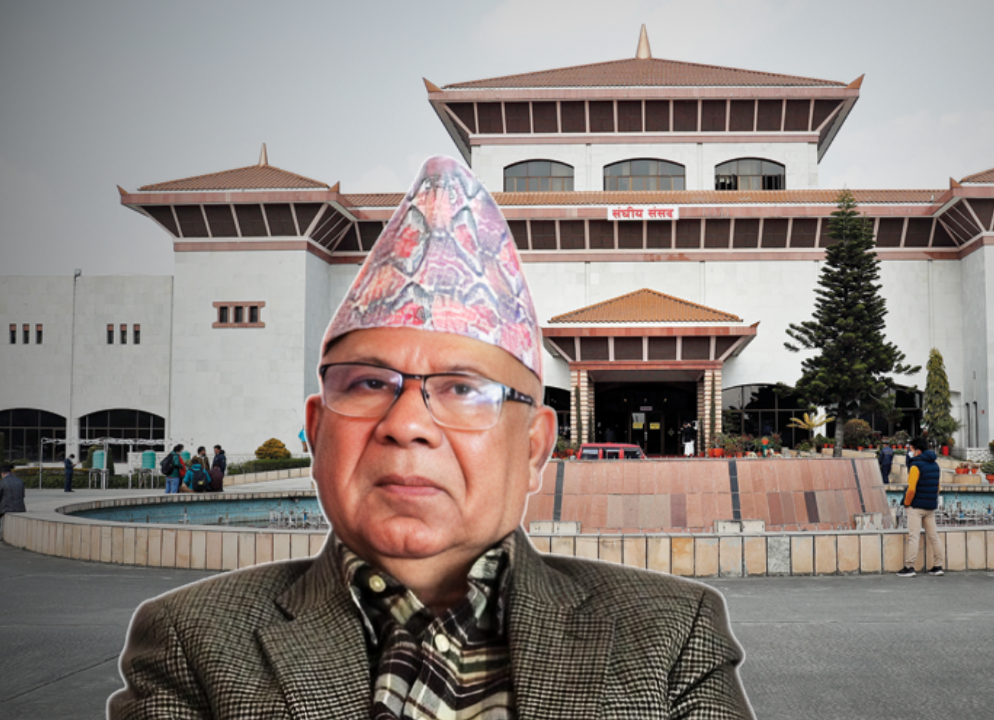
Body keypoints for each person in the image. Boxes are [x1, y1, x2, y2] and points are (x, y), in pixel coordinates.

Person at [110, 156, 753, 719]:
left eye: (463, 389)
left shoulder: (670, 635)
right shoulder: (193, 642)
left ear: (534, 447)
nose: (406, 424)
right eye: (369, 383)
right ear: (316, 430)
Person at [897, 437, 944, 577]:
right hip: (930, 507)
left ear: (918, 451)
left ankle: (909, 567)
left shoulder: (915, 466)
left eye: (910, 449)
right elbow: (938, 487)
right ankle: (938, 566)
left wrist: (907, 503)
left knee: (914, 537)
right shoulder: (935, 465)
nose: (909, 452)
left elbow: (911, 489)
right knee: (934, 537)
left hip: (916, 507)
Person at [0, 463, 26, 536]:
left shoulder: (2, 483)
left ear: (2, 473)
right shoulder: (20, 481)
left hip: (6, 508)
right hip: (20, 508)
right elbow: (23, 495)